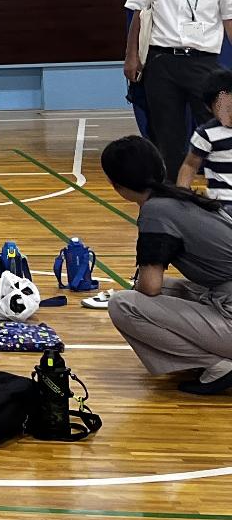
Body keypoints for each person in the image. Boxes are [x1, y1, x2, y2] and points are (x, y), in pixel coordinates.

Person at [100, 134, 232, 394]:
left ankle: (217, 364)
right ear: (161, 167)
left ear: (116, 185)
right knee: (171, 288)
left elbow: (149, 287)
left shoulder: (155, 212)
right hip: (224, 294)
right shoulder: (184, 199)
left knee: (123, 304)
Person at [127, 0, 232, 178]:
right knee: (168, 136)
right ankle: (175, 199)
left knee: (219, 130)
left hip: (204, 64)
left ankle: (224, 195)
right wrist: (131, 57)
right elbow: (138, 14)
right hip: (162, 63)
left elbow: (230, 20)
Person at [175, 68, 232, 212]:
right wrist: (182, 194)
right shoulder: (206, 134)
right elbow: (190, 165)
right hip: (221, 204)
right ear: (209, 108)